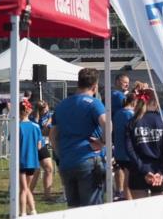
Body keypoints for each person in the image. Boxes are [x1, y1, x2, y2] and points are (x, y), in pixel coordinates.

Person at [50, 67, 107, 208]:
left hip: (67, 161)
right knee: (92, 207)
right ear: (95, 86)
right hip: (88, 159)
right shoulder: (94, 103)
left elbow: (52, 134)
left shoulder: (62, 105)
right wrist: (103, 142)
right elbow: (107, 124)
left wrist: (59, 153)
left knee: (73, 208)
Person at [126, 87, 163, 198]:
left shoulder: (132, 121)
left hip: (138, 169)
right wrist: (161, 171)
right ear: (156, 101)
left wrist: (144, 169)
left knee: (140, 212)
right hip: (158, 171)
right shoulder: (162, 121)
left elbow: (129, 149)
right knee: (159, 212)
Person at [18, 99, 42, 216]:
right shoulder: (36, 126)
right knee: (27, 188)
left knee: (23, 189)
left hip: (21, 161)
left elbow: (12, 144)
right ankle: (33, 211)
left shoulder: (17, 126)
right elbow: (39, 145)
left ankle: (22, 213)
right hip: (33, 161)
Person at [29, 100, 55, 201]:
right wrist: (46, 128)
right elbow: (41, 131)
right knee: (36, 171)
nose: (46, 109)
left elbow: (48, 129)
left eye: (46, 106)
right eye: (43, 108)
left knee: (49, 168)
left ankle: (47, 195)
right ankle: (28, 193)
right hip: (33, 145)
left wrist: (48, 125)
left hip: (43, 144)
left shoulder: (50, 115)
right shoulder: (32, 118)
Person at [112, 92, 136, 201]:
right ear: (134, 102)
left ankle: (122, 194)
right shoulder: (131, 115)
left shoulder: (117, 113)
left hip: (119, 151)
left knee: (125, 177)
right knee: (129, 180)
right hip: (129, 152)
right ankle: (129, 201)